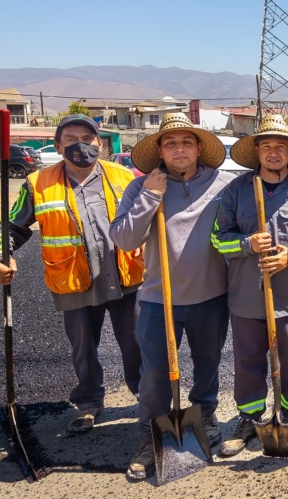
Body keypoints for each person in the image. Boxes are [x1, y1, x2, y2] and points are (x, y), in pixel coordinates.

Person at [0, 115, 146, 441]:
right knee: (83, 347)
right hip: (72, 280)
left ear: (100, 144)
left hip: (127, 277)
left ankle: (146, 396)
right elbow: (11, 226)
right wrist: (0, 257)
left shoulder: (125, 177)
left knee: (136, 342)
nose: (80, 145)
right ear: (58, 146)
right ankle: (88, 401)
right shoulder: (38, 183)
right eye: (70, 138)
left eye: (88, 138)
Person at [110, 113, 234, 479]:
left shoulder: (224, 184)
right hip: (157, 298)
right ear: (160, 151)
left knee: (207, 363)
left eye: (186, 142)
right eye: (170, 143)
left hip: (212, 296)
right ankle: (151, 435)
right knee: (155, 375)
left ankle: (205, 415)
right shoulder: (142, 187)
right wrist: (151, 195)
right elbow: (123, 239)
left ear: (199, 148)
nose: (179, 149)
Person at [213, 114, 288, 457]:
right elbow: (218, 239)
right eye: (267, 146)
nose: (274, 152)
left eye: (281, 145)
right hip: (247, 295)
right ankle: (250, 419)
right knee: (248, 360)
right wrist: (248, 244)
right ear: (257, 151)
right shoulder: (237, 190)